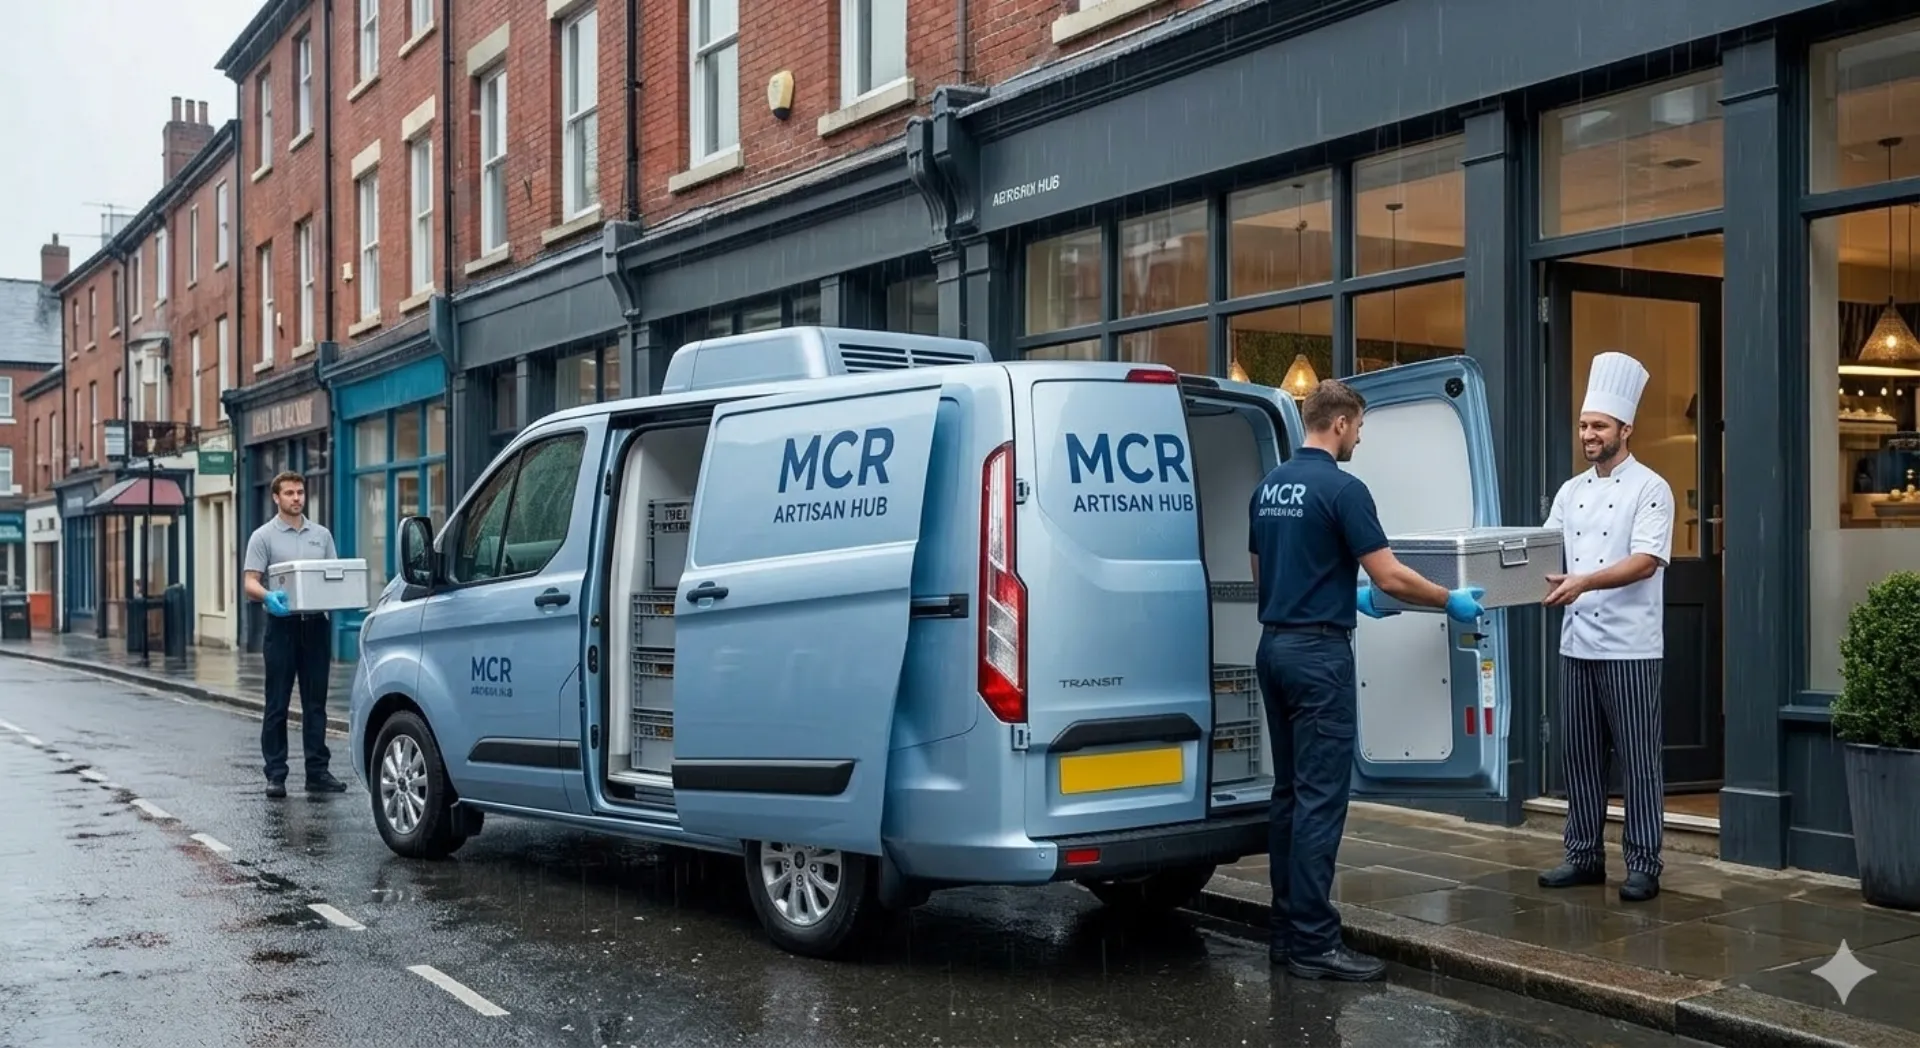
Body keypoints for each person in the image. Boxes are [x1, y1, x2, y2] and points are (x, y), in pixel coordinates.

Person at [1248, 378, 1484, 981]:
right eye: (1359, 429)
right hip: (1319, 659)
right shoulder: (1345, 489)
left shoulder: (1269, 487)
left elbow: (1266, 573)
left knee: (1289, 798)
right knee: (1321, 803)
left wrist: (1339, 594)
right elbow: (1392, 576)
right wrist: (1447, 599)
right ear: (1342, 424)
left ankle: (1285, 935)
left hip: (1274, 648)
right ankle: (1315, 945)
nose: (1359, 440)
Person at [1537, 351, 1675, 902]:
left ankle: (1643, 863)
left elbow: (1645, 560)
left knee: (1639, 759)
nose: (1588, 434)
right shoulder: (1571, 492)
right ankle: (1583, 856)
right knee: (1581, 756)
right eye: (1584, 424)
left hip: (1631, 647)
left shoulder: (1651, 488)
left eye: (1598, 426)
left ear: (1625, 429)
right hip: (1578, 644)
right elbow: (1542, 549)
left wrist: (1582, 582)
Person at [242, 470, 347, 799]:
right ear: (276, 498)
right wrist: (268, 597)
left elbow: (335, 575)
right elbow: (249, 582)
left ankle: (317, 772)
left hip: (315, 626)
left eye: (300, 492)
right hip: (282, 626)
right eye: (289, 493)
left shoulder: (321, 535)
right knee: (277, 703)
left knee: (316, 704)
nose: (296, 498)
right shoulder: (263, 537)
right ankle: (276, 774)